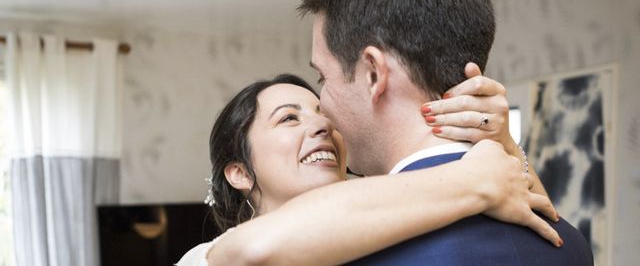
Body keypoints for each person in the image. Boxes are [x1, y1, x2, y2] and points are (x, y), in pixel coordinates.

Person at [299, 0, 593, 264]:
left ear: (373, 74)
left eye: (323, 77)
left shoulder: (344, 252)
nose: (321, 106)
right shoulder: (570, 243)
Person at [178, 73, 559, 266]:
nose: (323, 125)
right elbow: (256, 250)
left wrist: (504, 144)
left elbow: (550, 227)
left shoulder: (392, 231)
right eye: (289, 119)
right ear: (240, 173)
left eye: (323, 113)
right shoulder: (211, 257)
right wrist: (478, 178)